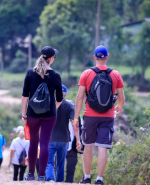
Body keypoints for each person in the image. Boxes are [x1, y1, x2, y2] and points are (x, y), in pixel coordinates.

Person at [74, 45, 125, 185]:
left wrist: (75, 117)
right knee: (103, 146)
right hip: (107, 116)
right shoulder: (115, 74)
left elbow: (79, 97)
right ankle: (99, 179)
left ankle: (86, 178)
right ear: (107, 57)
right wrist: (119, 107)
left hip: (90, 115)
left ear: (94, 57)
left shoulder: (86, 73)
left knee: (88, 145)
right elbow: (121, 97)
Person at [22, 46, 63, 181]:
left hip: (32, 114)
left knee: (33, 142)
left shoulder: (30, 73)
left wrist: (24, 114)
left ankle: (30, 174)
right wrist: (53, 109)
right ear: (51, 59)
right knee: (45, 143)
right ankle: (41, 175)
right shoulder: (55, 75)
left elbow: (25, 96)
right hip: (49, 115)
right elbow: (59, 98)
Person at [45, 85, 81, 182]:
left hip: (50, 138)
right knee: (60, 164)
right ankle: (59, 182)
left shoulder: (48, 104)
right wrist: (78, 140)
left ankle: (50, 179)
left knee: (49, 162)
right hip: (64, 139)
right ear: (65, 95)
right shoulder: (69, 106)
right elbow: (75, 125)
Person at [65, 118, 83, 183]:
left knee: (70, 173)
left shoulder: (77, 117)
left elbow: (80, 131)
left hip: (72, 149)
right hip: (60, 148)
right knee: (58, 170)